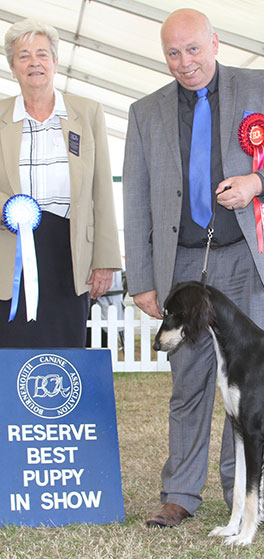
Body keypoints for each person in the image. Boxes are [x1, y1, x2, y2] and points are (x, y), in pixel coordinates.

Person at [122, 8, 264, 528]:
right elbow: (135, 198)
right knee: (188, 384)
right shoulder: (145, 112)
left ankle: (245, 495)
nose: (185, 63)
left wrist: (257, 183)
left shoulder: (263, 86)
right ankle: (180, 493)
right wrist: (141, 278)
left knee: (249, 387)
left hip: (249, 260)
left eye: (194, 49)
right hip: (183, 266)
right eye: (173, 53)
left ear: (216, 43)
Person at [0, 19, 121, 348]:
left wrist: (105, 260)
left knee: (64, 349)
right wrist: (7, 210)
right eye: (23, 56)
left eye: (42, 54)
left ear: (55, 61)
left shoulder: (87, 112)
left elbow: (102, 192)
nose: (34, 62)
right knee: (12, 354)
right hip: (9, 253)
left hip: (70, 254)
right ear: (12, 66)